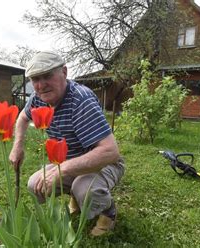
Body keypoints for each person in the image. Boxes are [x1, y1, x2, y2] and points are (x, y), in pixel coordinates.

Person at [9, 51, 124, 236]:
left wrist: (63, 169)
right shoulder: (38, 99)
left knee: (84, 189)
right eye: (35, 79)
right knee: (34, 185)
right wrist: (17, 146)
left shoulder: (81, 100)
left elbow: (110, 152)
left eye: (47, 76)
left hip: (103, 164)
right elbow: (23, 117)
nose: (41, 85)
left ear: (64, 72)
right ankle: (76, 199)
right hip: (68, 162)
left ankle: (108, 212)